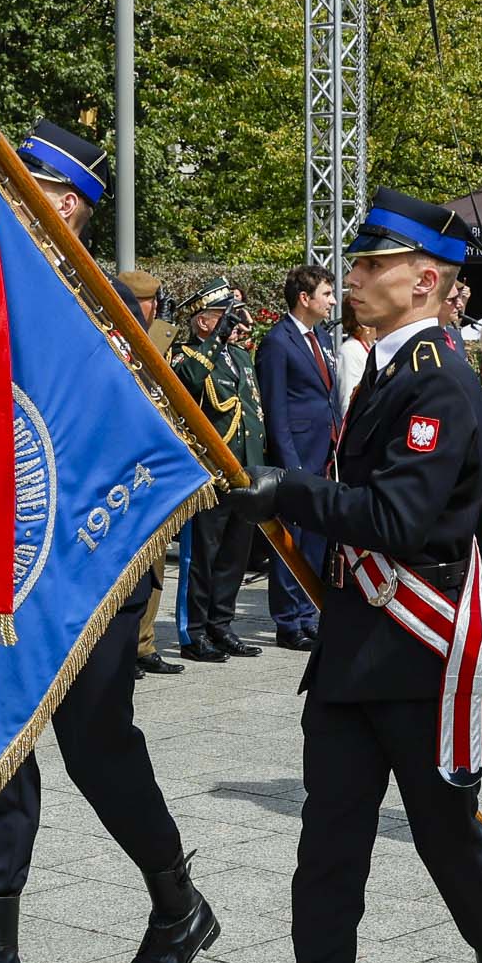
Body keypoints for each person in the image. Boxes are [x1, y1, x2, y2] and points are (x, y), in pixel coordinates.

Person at [223, 188, 482, 963]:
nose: (353, 275)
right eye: (355, 264)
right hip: (361, 636)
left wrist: (294, 493)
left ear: (429, 279)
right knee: (329, 845)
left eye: (372, 264)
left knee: (446, 828)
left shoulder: (441, 374)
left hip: (424, 637)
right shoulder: (383, 364)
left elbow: (401, 517)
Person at [0, 121, 219, 963]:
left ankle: (176, 903)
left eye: (39, 189)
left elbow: (144, 451)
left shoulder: (107, 310)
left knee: (97, 747)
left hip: (90, 566)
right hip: (0, 567)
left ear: (68, 205)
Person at [170, 280, 265, 660]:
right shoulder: (187, 354)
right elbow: (189, 381)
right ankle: (193, 634)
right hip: (211, 475)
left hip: (244, 471)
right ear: (204, 322)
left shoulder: (239, 357)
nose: (234, 321)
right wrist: (213, 341)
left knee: (234, 556)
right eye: (224, 315)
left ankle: (220, 625)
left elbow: (254, 414)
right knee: (201, 557)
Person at [257, 262, 341, 655]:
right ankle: (288, 622)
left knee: (317, 538)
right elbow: (276, 409)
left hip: (325, 451)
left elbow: (327, 396)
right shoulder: (278, 341)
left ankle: (308, 614)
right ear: (304, 298)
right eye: (326, 294)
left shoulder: (320, 336)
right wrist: (290, 464)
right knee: (294, 538)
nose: (332, 301)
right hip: (298, 455)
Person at [118, 268, 181, 675]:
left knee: (155, 564)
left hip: (155, 466)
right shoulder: (124, 339)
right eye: (151, 301)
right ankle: (128, 645)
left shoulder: (158, 338)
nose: (156, 309)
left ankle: (143, 642)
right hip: (128, 468)